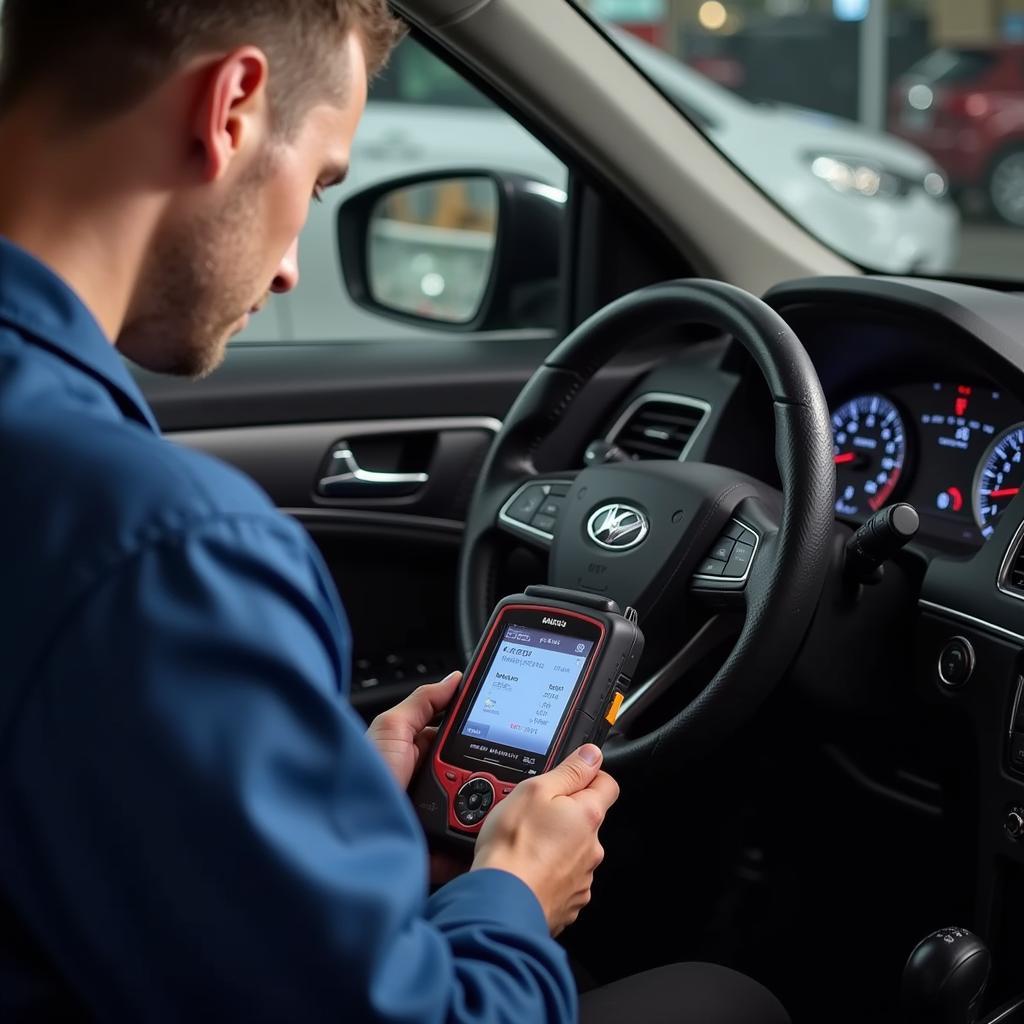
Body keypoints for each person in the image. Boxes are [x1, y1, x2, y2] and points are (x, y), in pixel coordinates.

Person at [0, 2, 790, 1021]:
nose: (287, 267)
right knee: (725, 998)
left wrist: (321, 810)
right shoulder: (165, 552)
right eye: (321, 181)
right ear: (229, 108)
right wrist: (513, 895)